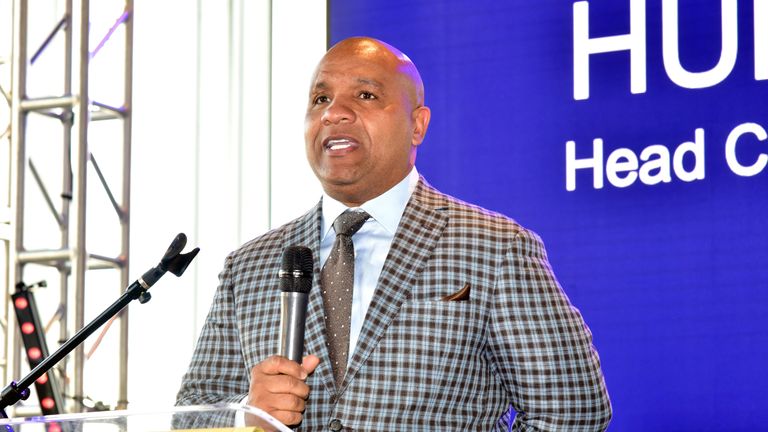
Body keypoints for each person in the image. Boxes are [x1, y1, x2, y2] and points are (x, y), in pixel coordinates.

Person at [176, 36, 612, 431]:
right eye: (320, 98)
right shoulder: (249, 265)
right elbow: (192, 411)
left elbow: (573, 412)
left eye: (365, 95)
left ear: (417, 125)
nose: (334, 113)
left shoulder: (495, 247)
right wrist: (245, 414)